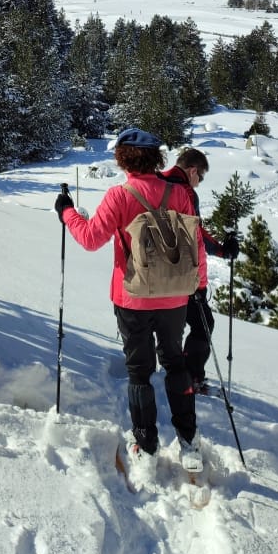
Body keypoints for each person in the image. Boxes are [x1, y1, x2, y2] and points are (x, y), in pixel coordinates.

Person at [54, 128, 207, 475]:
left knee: (140, 372)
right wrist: (199, 286)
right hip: (175, 297)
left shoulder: (119, 196)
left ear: (123, 159)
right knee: (176, 364)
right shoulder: (180, 193)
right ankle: (188, 441)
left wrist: (67, 213)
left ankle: (147, 445)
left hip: (132, 298)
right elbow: (195, 243)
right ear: (157, 158)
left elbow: (91, 239)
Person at [163, 148, 240, 394]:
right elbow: (194, 233)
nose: (199, 183)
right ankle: (190, 377)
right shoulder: (185, 191)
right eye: (201, 177)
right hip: (187, 275)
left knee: (172, 326)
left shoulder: (157, 183)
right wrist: (222, 250)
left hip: (156, 272)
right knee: (203, 325)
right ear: (193, 170)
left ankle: (173, 374)